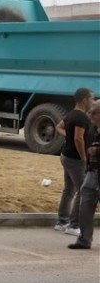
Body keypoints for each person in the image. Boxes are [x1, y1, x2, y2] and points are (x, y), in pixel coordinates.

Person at [55, 88, 94, 237]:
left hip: (66, 156)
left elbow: (59, 127)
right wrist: (84, 158)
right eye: (92, 98)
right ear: (84, 100)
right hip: (76, 160)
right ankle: (73, 225)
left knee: (69, 189)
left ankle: (62, 222)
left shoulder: (71, 114)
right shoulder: (81, 117)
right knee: (83, 191)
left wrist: (69, 136)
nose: (93, 100)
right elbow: (79, 138)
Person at [69, 100, 100, 250]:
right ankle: (84, 239)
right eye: (90, 112)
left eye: (94, 113)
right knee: (85, 205)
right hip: (92, 173)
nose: (90, 115)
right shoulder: (93, 129)